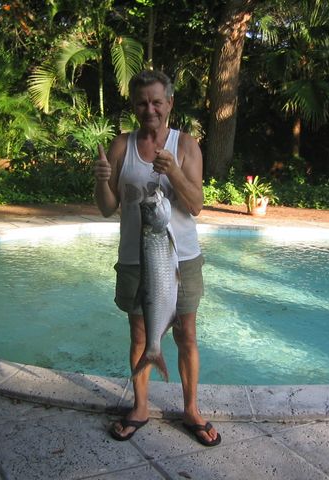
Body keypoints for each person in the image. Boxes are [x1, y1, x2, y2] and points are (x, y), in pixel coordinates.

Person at [93, 69, 221, 447]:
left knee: (186, 334)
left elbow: (195, 205)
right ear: (134, 106)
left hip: (182, 259)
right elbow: (108, 207)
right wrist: (101, 179)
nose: (149, 109)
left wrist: (175, 171)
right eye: (141, 103)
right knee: (139, 334)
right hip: (136, 258)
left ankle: (191, 410)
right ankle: (140, 407)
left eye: (156, 102)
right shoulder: (122, 145)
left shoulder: (187, 145)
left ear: (169, 103)